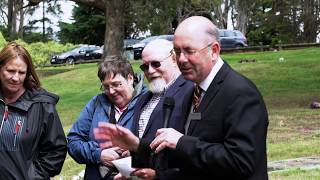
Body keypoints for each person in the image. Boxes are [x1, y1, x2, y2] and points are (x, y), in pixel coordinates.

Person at [95, 16, 269, 179]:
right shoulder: (195, 92)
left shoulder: (239, 93)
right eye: (177, 52)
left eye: (189, 51)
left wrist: (181, 141)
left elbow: (242, 162)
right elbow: (186, 159)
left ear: (214, 51)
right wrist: (137, 145)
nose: (181, 59)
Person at [113, 39, 193, 180]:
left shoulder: (190, 91)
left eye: (156, 64)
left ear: (174, 59)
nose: (150, 71)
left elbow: (193, 149)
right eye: (145, 67)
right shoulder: (143, 99)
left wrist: (159, 175)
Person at [67, 56, 147, 180]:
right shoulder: (97, 103)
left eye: (116, 84)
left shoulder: (149, 101)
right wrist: (98, 154)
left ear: (130, 78)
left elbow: (156, 148)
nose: (111, 91)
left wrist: (133, 152)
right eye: (106, 86)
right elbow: (73, 142)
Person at [0, 42, 67, 179]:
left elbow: (56, 150)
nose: (16, 78)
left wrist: (33, 176)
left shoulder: (42, 105)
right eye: (11, 71)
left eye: (22, 72)